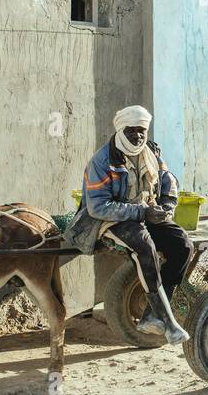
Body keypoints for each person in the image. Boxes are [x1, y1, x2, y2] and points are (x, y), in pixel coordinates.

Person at [63, 105, 193, 343]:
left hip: (145, 214)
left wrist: (166, 208)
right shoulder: (101, 161)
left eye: (142, 130)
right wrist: (142, 212)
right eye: (132, 131)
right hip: (107, 221)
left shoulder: (150, 153)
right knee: (143, 245)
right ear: (121, 130)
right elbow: (98, 207)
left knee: (183, 246)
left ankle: (152, 315)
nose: (138, 136)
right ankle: (169, 322)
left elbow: (168, 183)